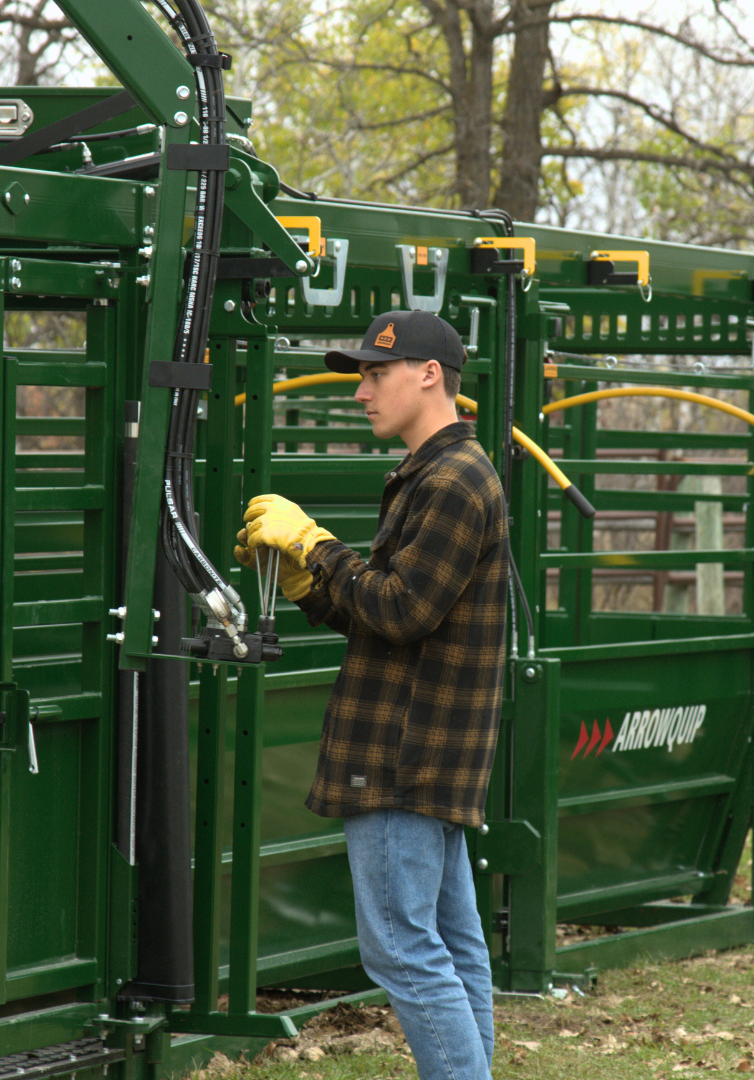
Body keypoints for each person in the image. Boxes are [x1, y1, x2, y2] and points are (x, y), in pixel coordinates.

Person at [236, 310, 509, 1080]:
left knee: (402, 949)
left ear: (429, 375)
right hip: (419, 750)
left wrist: (317, 545)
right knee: (451, 947)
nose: (361, 391)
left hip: (401, 756)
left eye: (374, 373)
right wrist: (305, 584)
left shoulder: (454, 480)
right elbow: (386, 615)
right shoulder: (437, 473)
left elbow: (401, 609)